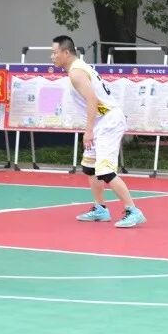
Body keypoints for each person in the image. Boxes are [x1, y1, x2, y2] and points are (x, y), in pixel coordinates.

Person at [51, 35, 146, 229]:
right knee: (90, 168)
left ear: (66, 52)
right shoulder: (78, 68)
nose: (52, 57)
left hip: (108, 122)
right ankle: (100, 209)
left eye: (54, 52)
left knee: (105, 171)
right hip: (100, 121)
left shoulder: (76, 72)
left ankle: (133, 210)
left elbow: (92, 100)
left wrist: (88, 131)